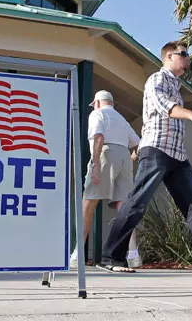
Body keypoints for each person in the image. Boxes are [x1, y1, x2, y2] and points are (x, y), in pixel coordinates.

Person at [98, 41, 192, 274]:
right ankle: (110, 257)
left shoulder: (176, 86)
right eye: (183, 54)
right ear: (169, 57)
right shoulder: (157, 79)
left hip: (177, 156)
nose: (187, 59)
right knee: (137, 202)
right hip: (157, 150)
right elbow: (166, 107)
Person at [70, 90, 142, 269]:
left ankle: (77, 253)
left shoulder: (97, 114)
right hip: (124, 157)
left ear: (98, 103)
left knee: (89, 203)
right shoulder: (123, 120)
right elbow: (138, 144)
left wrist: (95, 164)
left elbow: (98, 137)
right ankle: (133, 255)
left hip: (105, 154)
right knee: (124, 206)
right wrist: (132, 156)